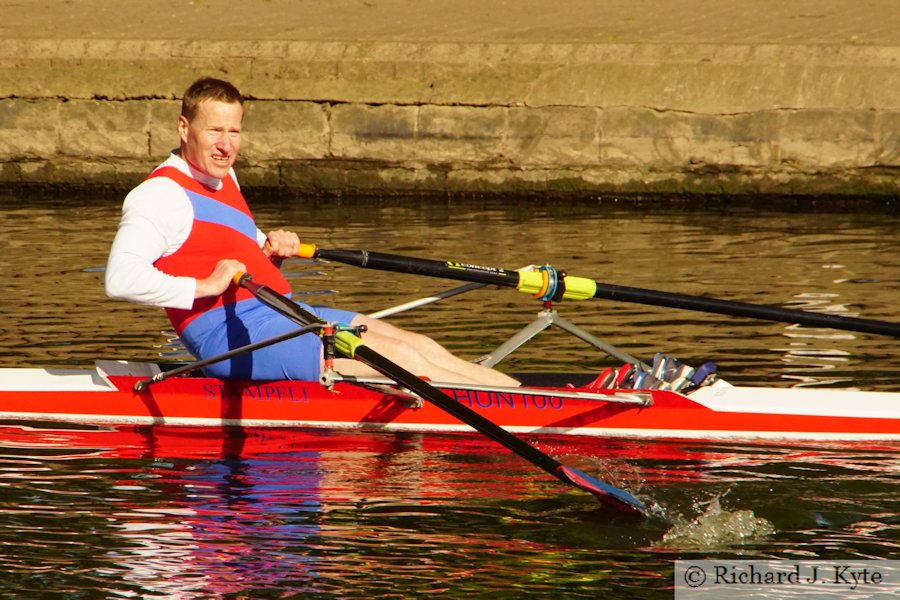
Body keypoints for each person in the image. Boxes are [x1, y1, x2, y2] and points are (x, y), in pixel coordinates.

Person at [106, 76, 519, 387]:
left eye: (234, 131)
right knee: (393, 359)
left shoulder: (223, 174)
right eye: (214, 131)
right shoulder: (159, 194)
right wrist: (204, 285)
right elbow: (120, 279)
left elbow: (226, 243)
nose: (226, 145)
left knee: (417, 345)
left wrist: (269, 248)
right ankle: (521, 419)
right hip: (228, 337)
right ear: (184, 128)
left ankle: (543, 400)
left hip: (280, 313)